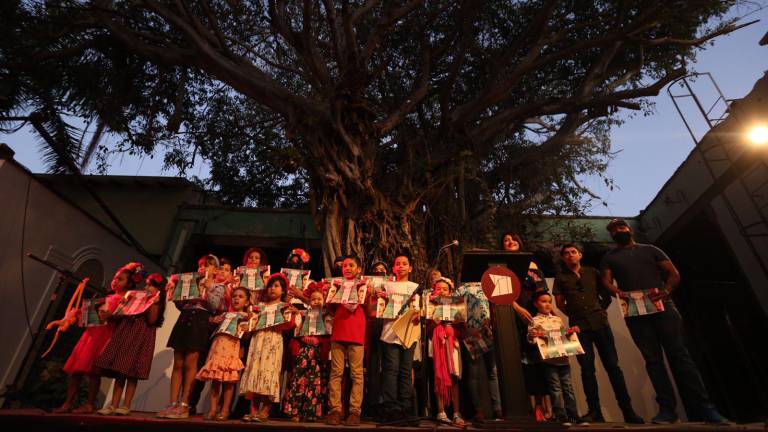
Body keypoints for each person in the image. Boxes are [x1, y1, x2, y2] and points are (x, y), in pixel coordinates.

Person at [600, 218, 728, 424]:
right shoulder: (610, 257)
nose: (618, 230)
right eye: (613, 229)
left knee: (680, 356)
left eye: (621, 226)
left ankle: (705, 408)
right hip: (635, 310)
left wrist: (666, 291)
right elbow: (606, 282)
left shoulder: (650, 249)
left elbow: (673, 273)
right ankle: (667, 410)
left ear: (629, 229)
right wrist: (621, 294)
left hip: (663, 307)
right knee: (653, 360)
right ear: (611, 235)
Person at [553, 243, 643, 424]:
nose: (570, 255)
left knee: (613, 367)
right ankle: (594, 412)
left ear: (580, 255)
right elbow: (560, 303)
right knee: (586, 370)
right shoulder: (561, 277)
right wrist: (575, 316)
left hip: (600, 324)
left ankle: (628, 411)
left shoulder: (592, 272)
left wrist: (599, 311)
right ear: (563, 258)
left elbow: (606, 296)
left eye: (573, 252)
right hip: (578, 328)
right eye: (566, 254)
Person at [53, 263, 136, 414]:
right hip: (91, 334)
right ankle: (67, 403)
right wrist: (80, 314)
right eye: (115, 278)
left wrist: (111, 315)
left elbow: (122, 318)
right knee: (77, 370)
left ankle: (89, 404)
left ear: (129, 283)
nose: (115, 281)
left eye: (121, 279)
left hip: (104, 336)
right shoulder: (106, 297)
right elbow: (93, 317)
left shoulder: (125, 299)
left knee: (94, 372)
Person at [95, 271, 166, 416]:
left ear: (159, 289)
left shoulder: (156, 302)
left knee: (132, 372)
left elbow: (152, 320)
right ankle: (113, 405)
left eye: (151, 285)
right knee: (120, 369)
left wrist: (153, 301)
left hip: (141, 335)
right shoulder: (135, 296)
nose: (147, 287)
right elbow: (121, 312)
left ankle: (126, 405)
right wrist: (112, 313)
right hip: (127, 331)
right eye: (146, 284)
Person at [157, 254, 219, 419]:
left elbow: (215, 306)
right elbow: (181, 304)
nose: (203, 268)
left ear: (215, 270)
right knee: (178, 363)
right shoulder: (190, 282)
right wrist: (174, 293)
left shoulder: (218, 286)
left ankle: (185, 404)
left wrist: (208, 289)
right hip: (185, 318)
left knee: (191, 364)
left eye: (207, 265)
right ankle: (172, 403)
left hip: (200, 321)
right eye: (201, 265)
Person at [503, 232, 551, 421]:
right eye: (506, 240)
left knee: (537, 359)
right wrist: (516, 307)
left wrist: (547, 314)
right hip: (511, 315)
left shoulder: (531, 264)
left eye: (513, 239)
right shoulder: (501, 266)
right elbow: (501, 293)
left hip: (533, 315)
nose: (510, 242)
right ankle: (524, 409)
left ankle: (543, 408)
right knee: (517, 362)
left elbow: (541, 291)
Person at [239, 273, 298, 422]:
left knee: (269, 371)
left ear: (283, 291)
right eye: (271, 286)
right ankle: (253, 410)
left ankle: (265, 410)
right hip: (258, 340)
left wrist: (289, 314)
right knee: (255, 370)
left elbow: (289, 325)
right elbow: (251, 325)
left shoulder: (283, 306)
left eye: (276, 286)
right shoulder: (259, 306)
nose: (272, 288)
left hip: (273, 341)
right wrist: (248, 323)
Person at [324, 255, 370, 426]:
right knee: (336, 372)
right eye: (344, 266)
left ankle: (354, 411)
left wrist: (370, 295)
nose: (347, 268)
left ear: (359, 269)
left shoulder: (364, 285)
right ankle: (335, 409)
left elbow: (370, 311)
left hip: (356, 332)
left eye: (351, 265)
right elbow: (331, 308)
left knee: (357, 373)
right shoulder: (336, 284)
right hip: (339, 331)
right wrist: (328, 295)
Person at [195, 286, 251, 421]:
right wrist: (213, 322)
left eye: (240, 296)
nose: (236, 298)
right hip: (218, 348)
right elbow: (215, 330)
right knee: (215, 381)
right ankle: (213, 409)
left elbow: (246, 337)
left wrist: (247, 328)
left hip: (232, 349)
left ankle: (225, 410)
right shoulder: (224, 314)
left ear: (247, 302)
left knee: (229, 382)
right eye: (234, 296)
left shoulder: (246, 316)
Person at [377, 253, 420, 423]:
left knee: (405, 370)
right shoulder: (387, 286)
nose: (401, 266)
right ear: (393, 268)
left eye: (404, 263)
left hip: (409, 333)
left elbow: (418, 308)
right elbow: (380, 309)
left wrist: (418, 314)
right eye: (397, 263)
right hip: (390, 333)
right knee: (391, 370)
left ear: (410, 268)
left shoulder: (415, 286)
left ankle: (405, 406)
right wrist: (381, 300)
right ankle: (390, 407)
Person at [527, 290, 579, 425]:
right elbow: (532, 340)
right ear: (535, 304)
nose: (548, 304)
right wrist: (532, 337)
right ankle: (560, 414)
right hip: (548, 360)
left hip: (563, 359)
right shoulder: (534, 320)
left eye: (549, 302)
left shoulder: (557, 319)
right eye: (543, 301)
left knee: (568, 387)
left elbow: (564, 336)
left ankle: (573, 414)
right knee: (555, 387)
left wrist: (572, 332)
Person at [282, 282, 331, 422]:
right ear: (309, 301)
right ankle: (295, 412)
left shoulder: (326, 314)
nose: (316, 302)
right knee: (299, 380)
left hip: (317, 353)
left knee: (314, 383)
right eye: (313, 299)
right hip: (304, 352)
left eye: (319, 299)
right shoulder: (304, 313)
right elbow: (295, 324)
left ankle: (311, 413)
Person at [429, 277, 465, 426]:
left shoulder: (457, 306)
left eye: (445, 289)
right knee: (439, 376)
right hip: (437, 342)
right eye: (439, 289)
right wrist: (434, 319)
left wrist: (456, 324)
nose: (442, 291)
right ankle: (441, 411)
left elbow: (462, 328)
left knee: (454, 376)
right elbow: (427, 329)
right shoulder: (431, 305)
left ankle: (456, 413)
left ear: (450, 292)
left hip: (453, 344)